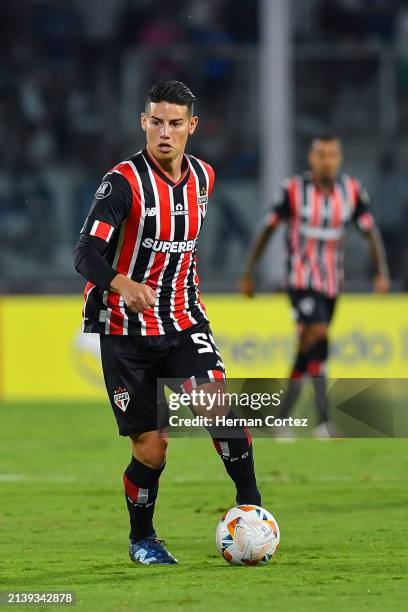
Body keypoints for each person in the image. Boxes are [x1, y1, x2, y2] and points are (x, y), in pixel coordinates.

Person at [74, 80, 261, 565]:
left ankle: (254, 513)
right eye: (156, 121)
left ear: (191, 127)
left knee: (218, 408)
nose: (165, 131)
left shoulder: (205, 177)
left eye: (175, 123)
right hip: (124, 332)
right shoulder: (122, 183)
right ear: (143, 122)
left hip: (182, 320)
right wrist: (123, 283)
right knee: (152, 448)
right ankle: (143, 538)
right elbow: (85, 254)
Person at [239, 134, 390, 436]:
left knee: (312, 350)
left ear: (339, 157)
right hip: (299, 281)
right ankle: (321, 423)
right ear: (312, 158)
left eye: (332, 154)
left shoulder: (351, 191)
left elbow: (370, 232)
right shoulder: (294, 190)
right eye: (321, 154)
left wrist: (380, 271)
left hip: (332, 284)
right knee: (318, 332)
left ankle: (293, 421)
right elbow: (266, 229)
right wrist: (248, 272)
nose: (327, 160)